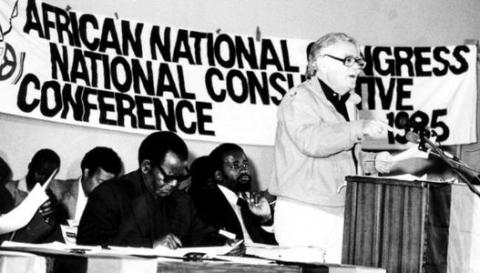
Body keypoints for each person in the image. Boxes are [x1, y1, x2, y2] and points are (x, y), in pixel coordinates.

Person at [268, 32, 393, 262]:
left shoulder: (347, 103)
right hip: (305, 213)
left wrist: (372, 162)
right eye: (348, 60)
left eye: (359, 61)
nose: (356, 67)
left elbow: (341, 156)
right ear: (322, 62)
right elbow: (313, 141)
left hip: (340, 211)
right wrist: (358, 128)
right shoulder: (300, 98)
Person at [77, 131, 227, 249]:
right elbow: (89, 242)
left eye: (180, 178)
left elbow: (203, 236)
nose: (174, 184)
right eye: (168, 177)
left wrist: (225, 245)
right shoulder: (109, 194)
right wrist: (151, 246)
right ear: (146, 167)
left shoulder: (183, 201)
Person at [192, 144, 276, 245]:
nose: (244, 169)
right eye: (235, 165)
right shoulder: (203, 204)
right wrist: (225, 245)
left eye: (245, 164)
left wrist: (266, 218)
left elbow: (271, 247)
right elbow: (202, 239)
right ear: (218, 175)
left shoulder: (252, 202)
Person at [49, 147, 123, 226]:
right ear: (86, 173)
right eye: (100, 182)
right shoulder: (56, 190)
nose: (104, 189)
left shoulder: (113, 205)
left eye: (108, 185)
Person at [4, 149, 62, 243]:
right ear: (30, 166)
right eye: (39, 172)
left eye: (47, 175)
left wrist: (52, 215)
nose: (41, 177)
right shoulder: (8, 189)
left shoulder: (54, 195)